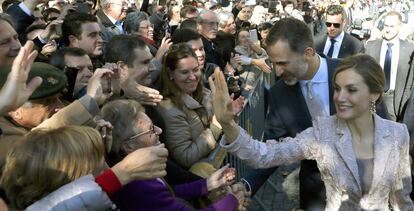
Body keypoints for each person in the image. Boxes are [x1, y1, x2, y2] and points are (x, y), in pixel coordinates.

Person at [209, 54, 414, 210]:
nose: (340, 97)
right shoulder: (322, 132)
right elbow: (264, 155)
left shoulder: (397, 134)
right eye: (337, 88)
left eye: (351, 90)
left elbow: (401, 198)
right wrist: (228, 125)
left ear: (375, 94)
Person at [101, 99, 249, 210]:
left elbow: (168, 193)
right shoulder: (138, 186)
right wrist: (232, 201)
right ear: (128, 146)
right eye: (151, 129)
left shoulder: (138, 170)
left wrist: (208, 184)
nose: (159, 131)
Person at [157, 43, 244, 172]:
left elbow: (224, 126)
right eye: (184, 72)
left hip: (224, 167)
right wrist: (217, 125)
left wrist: (230, 116)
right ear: (170, 73)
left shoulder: (204, 92)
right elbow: (186, 157)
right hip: (204, 180)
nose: (192, 77)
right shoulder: (169, 109)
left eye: (195, 70)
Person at [366, 11, 414, 121]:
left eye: (392, 26)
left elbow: (409, 83)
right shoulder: (371, 46)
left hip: (394, 101)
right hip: (373, 99)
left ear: (399, 27)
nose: (387, 29)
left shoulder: (409, 49)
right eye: (386, 25)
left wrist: (403, 107)